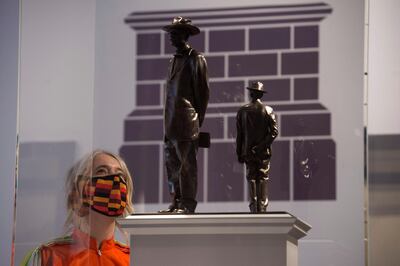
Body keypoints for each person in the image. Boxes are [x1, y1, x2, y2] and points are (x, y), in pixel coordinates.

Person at [22, 150, 134, 266]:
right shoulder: (46, 256)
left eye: (120, 175)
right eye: (102, 171)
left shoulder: (133, 259)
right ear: (78, 192)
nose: (115, 179)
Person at [161, 17, 209, 214]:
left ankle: (187, 204)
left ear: (185, 34)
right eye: (170, 33)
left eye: (176, 33)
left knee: (187, 166)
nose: (171, 37)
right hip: (170, 123)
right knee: (172, 166)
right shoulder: (173, 60)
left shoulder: (196, 59)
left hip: (187, 122)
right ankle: (175, 201)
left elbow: (202, 94)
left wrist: (196, 122)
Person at [236, 82, 278, 213]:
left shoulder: (243, 111)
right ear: (261, 94)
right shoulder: (268, 110)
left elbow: (240, 135)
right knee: (263, 177)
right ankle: (262, 207)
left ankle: (254, 207)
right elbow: (274, 132)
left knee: (251, 178)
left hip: (248, 152)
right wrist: (261, 146)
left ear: (251, 93)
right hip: (263, 152)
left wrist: (239, 153)